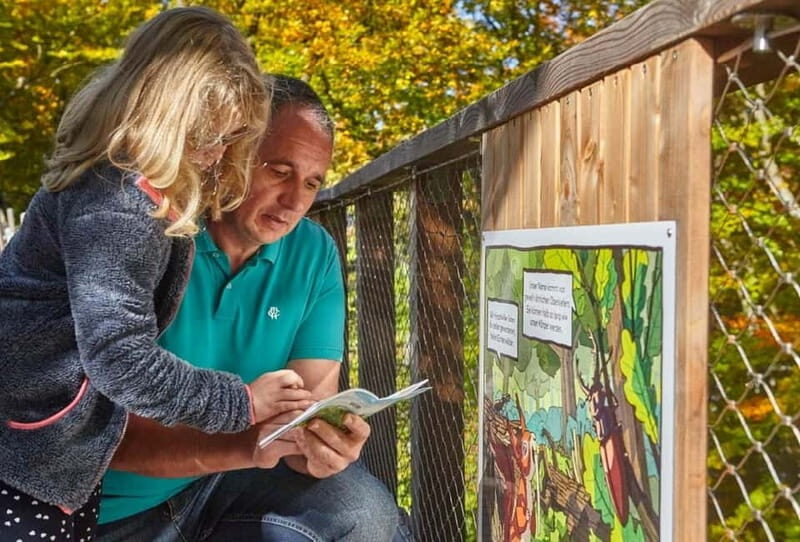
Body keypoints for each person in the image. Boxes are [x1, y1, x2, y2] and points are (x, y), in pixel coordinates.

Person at [0, 10, 314, 541]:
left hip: (46, 445)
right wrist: (241, 402)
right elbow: (121, 361)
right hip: (25, 457)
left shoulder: (126, 190)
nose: (218, 156)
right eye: (212, 137)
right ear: (172, 117)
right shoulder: (117, 205)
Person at [95, 75, 408, 542]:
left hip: (229, 482)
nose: (295, 201)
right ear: (229, 154)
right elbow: (97, 435)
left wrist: (323, 450)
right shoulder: (149, 230)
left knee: (368, 516)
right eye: (280, 171)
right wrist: (244, 444)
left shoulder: (313, 252)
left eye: (312, 182)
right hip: (110, 508)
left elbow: (310, 409)